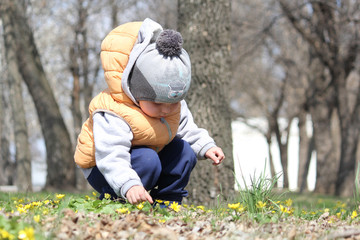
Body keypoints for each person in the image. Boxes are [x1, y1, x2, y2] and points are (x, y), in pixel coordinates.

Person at [74, 18, 225, 205]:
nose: (166, 110)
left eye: (172, 103)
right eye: (158, 104)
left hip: (144, 157)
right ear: (137, 92)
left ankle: (167, 202)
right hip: (104, 167)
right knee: (148, 159)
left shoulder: (171, 105)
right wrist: (129, 184)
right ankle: (116, 200)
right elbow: (111, 155)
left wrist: (206, 146)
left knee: (183, 151)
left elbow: (187, 129)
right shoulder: (113, 110)